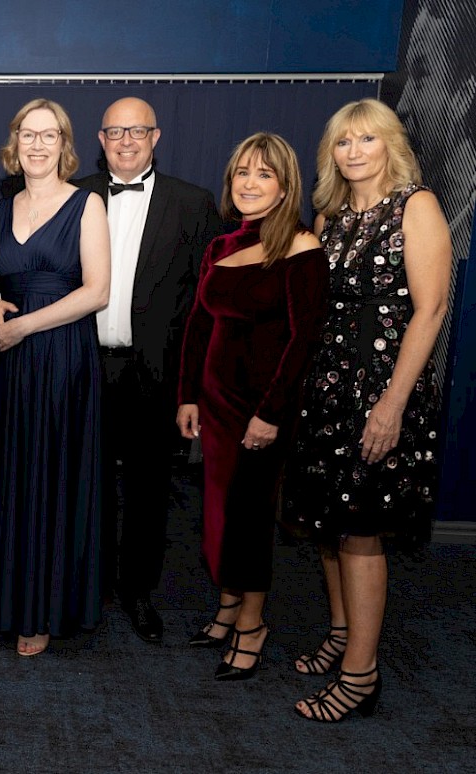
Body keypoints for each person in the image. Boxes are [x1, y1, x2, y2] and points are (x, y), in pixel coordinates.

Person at [0, 97, 222, 642]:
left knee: (147, 489)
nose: (126, 141)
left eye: (137, 131)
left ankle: (138, 592)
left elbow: (204, 307)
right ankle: (83, 586)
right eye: (115, 131)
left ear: (156, 137)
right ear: (98, 139)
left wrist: (193, 389)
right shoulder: (75, 193)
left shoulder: (193, 203)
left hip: (151, 369)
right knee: (75, 485)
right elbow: (10, 269)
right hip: (76, 363)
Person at [285, 98, 450, 721]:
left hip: (383, 389)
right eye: (343, 141)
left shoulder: (416, 205)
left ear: (391, 146)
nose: (354, 151)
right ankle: (340, 633)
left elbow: (431, 310)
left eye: (367, 139)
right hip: (327, 390)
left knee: (360, 530)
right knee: (329, 522)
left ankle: (361, 674)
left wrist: (393, 404)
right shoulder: (329, 218)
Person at [175, 133, 328, 680]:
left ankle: (252, 624)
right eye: (242, 172)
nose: (249, 183)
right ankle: (227, 606)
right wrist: (188, 395)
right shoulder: (219, 247)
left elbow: (302, 340)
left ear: (285, 186)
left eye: (264, 174)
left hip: (262, 407)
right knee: (218, 510)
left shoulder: (302, 246)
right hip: (214, 404)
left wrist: (270, 412)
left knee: (250, 516)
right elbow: (198, 325)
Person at [0, 98, 111, 656]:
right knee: (6, 479)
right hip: (7, 366)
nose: (38, 144)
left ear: (65, 144)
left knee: (50, 480)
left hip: (62, 361)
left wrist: (24, 325)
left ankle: (41, 611)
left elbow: (97, 291)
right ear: (15, 142)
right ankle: (4, 600)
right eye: (29, 134)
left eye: (50, 135)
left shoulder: (86, 205)